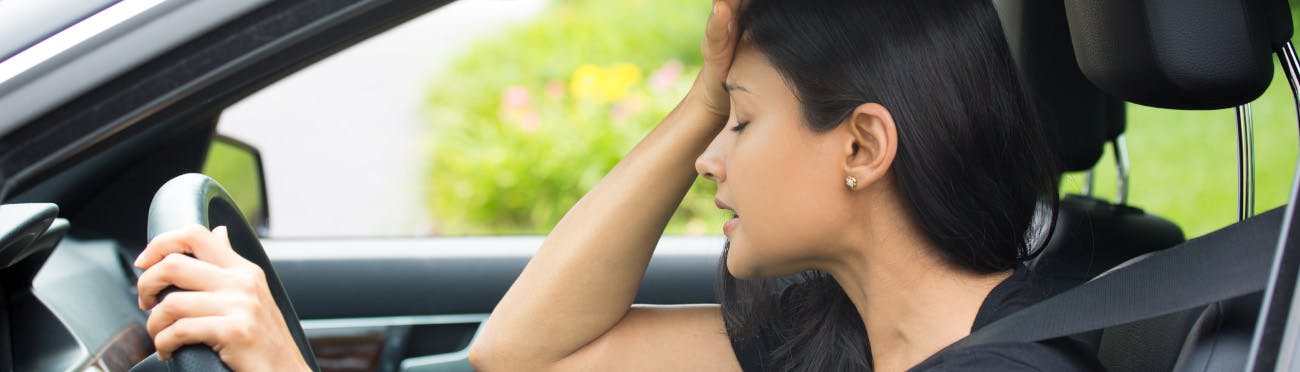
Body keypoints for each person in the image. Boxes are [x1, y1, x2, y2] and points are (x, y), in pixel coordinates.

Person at [133, 0, 1104, 370]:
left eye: (741, 121)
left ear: (860, 147)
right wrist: (699, 96)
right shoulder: (838, 335)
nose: (710, 161)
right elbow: (519, 356)